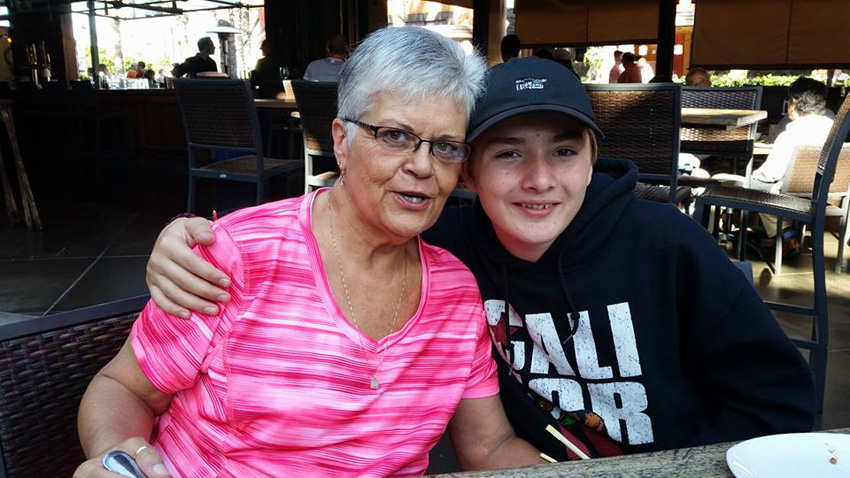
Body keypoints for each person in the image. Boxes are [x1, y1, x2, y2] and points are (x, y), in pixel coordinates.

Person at [145, 57, 815, 462]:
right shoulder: (445, 247)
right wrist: (189, 236)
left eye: (564, 151)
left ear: (592, 159)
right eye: (508, 154)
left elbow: (778, 402)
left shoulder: (667, 245)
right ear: (468, 174)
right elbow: (347, 216)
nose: (540, 179)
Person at [74, 27, 542, 478]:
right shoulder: (237, 257)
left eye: (445, 147)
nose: (422, 166)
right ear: (341, 141)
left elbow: (489, 447)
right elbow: (124, 388)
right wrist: (117, 458)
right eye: (395, 136)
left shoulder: (455, 292)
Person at [713, 77, 834, 238]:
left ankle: (785, 234)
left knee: (731, 183)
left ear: (793, 104)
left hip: (789, 195)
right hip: (824, 191)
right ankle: (778, 233)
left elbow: (770, 174)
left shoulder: (791, 133)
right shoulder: (833, 129)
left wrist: (752, 176)